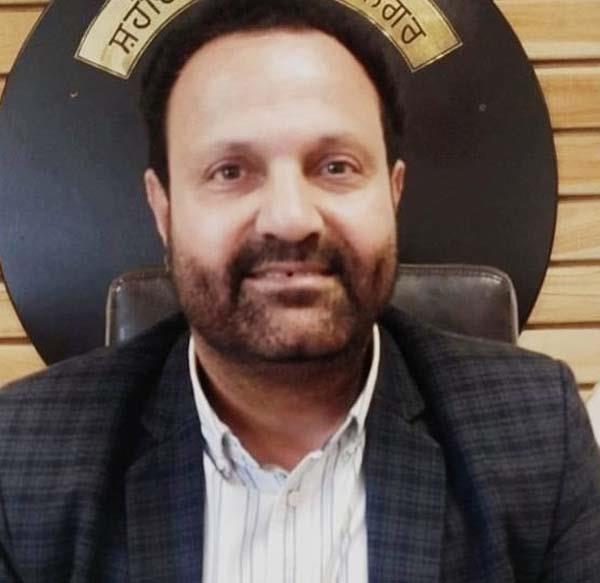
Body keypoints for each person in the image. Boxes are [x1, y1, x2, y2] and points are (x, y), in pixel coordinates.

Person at [1, 0, 599, 581]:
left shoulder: (538, 437)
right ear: (164, 210)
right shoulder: (23, 459)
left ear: (392, 194)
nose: (289, 219)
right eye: (230, 171)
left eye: (336, 166)